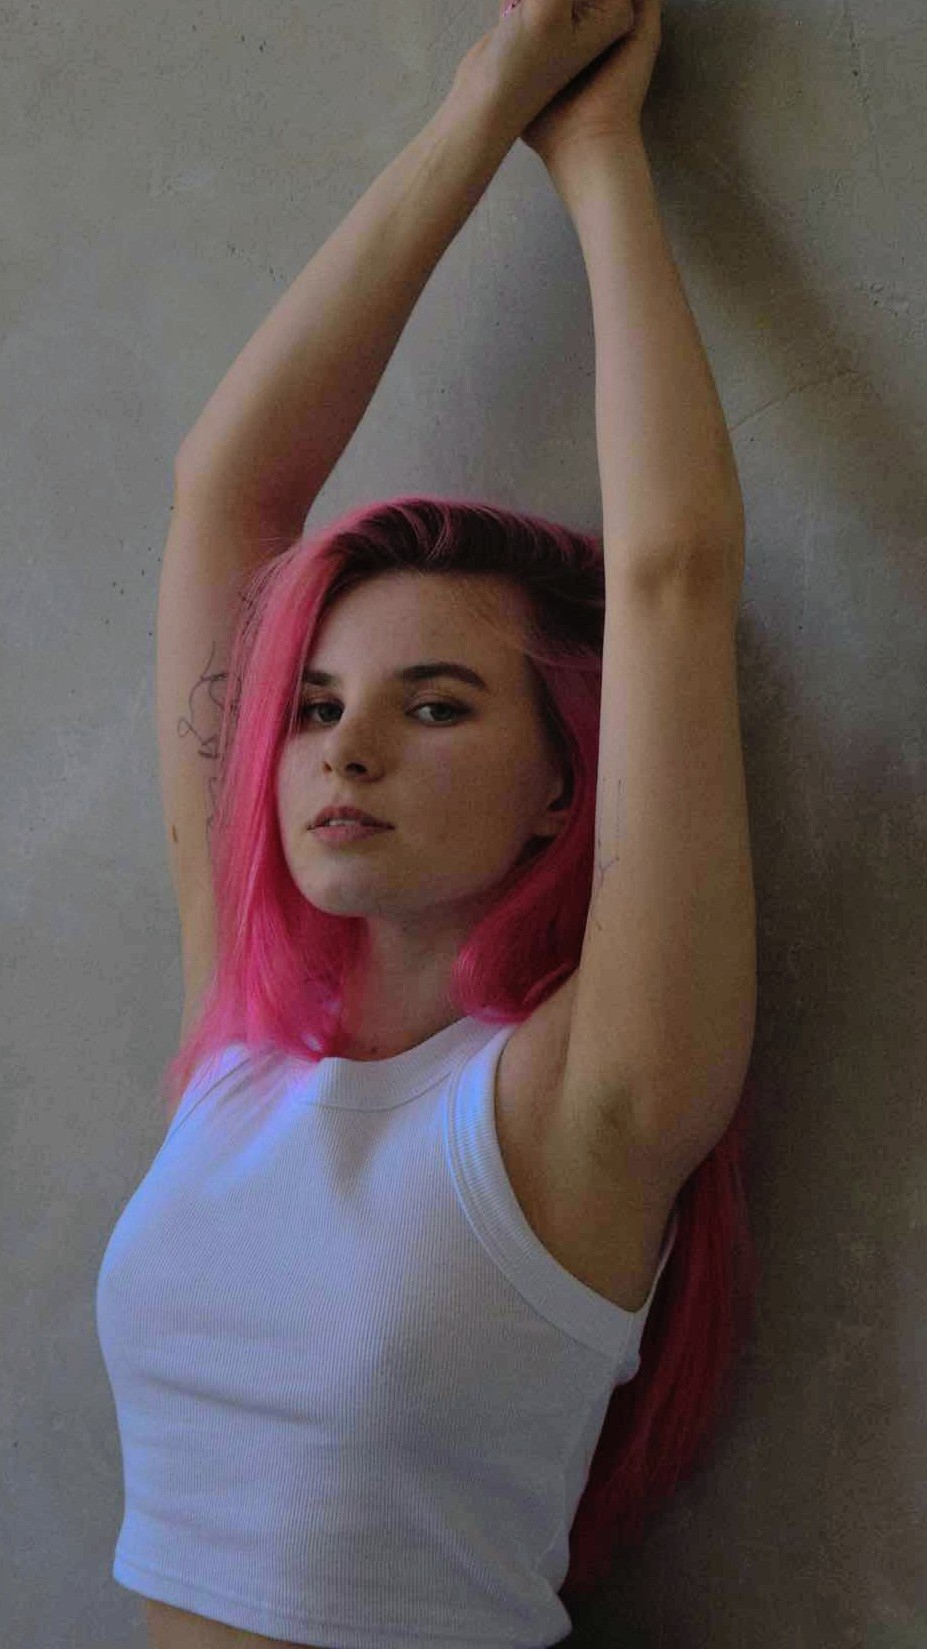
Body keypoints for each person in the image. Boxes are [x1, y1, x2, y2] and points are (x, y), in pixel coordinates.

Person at [96, 2, 758, 1645]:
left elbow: (673, 582)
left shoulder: (588, 1102)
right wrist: (479, 109)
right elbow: (227, 498)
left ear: (566, 779)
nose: (349, 751)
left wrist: (597, 158)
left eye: (438, 704)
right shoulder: (241, 1054)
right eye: (315, 706)